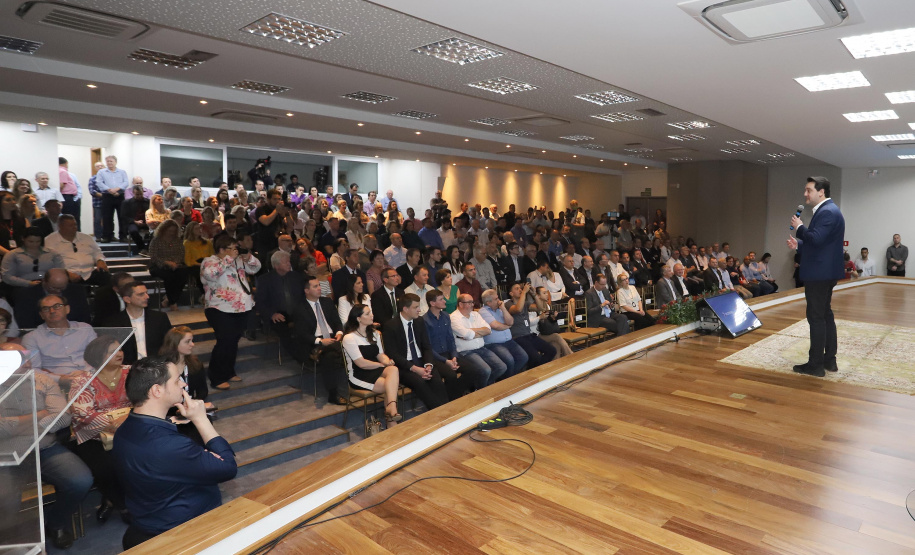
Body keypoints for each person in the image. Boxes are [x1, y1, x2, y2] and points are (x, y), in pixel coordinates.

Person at [114, 357, 237, 549]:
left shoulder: (124, 430)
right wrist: (201, 419)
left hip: (147, 519)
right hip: (186, 530)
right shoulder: (169, 445)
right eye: (177, 380)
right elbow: (228, 467)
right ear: (157, 390)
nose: (184, 383)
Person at [0, 343, 92, 550]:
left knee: (80, 481)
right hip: (6, 455)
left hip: (45, 448)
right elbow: (1, 430)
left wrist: (18, 423)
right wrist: (40, 416)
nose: (28, 362)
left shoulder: (42, 380)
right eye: (18, 358)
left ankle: (56, 523)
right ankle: (11, 542)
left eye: (26, 356)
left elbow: (63, 417)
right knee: (6, 500)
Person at [69, 335, 132, 524]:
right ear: (98, 356)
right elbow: (81, 413)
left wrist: (125, 421)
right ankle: (123, 505)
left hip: (129, 430)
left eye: (119, 349)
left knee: (139, 458)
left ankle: (114, 498)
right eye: (111, 351)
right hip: (93, 436)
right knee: (106, 468)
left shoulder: (132, 372)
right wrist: (115, 422)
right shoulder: (83, 381)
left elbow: (144, 400)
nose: (119, 353)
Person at [788, 176, 845, 377]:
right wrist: (800, 244)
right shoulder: (828, 211)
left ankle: (816, 365)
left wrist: (799, 228)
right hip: (824, 271)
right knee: (825, 315)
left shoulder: (827, 212)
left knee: (816, 318)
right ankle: (829, 361)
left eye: (808, 190)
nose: (805, 194)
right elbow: (821, 244)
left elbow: (817, 239)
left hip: (819, 274)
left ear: (821, 192)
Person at [201, 234, 261, 389]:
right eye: (232, 248)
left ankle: (228, 371)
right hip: (219, 308)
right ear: (222, 249)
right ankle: (216, 377)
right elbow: (210, 275)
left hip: (241, 307)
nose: (236, 250)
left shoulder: (238, 260)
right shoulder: (209, 261)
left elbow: (256, 268)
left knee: (233, 341)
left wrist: (248, 256)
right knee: (224, 341)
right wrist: (227, 260)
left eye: (236, 248)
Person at [381, 294, 451, 409]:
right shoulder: (391, 326)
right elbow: (392, 354)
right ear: (405, 309)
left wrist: (428, 364)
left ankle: (447, 410)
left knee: (437, 381)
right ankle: (440, 412)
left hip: (422, 361)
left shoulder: (419, 321)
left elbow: (427, 346)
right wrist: (414, 368)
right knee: (420, 383)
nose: (419, 310)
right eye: (416, 307)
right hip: (404, 366)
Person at [341, 304, 402, 426]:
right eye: (367, 314)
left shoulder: (374, 333)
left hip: (374, 369)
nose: (372, 315)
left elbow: (380, 354)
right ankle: (391, 420)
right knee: (390, 386)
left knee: (393, 369)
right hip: (359, 374)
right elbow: (361, 363)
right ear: (358, 318)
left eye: (371, 313)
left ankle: (391, 408)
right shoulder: (349, 338)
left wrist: (387, 361)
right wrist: (381, 365)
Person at [293, 274, 348, 405]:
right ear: (306, 291)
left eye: (319, 285)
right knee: (331, 356)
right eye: (315, 286)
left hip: (333, 338)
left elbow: (337, 323)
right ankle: (333, 394)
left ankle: (322, 352)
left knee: (339, 349)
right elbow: (302, 334)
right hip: (314, 342)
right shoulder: (299, 308)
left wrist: (339, 333)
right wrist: (320, 342)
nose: (319, 288)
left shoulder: (327, 302)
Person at [22, 294, 97, 389]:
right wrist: (59, 379)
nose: (52, 311)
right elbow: (33, 370)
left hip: (91, 378)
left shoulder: (85, 329)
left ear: (67, 309)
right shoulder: (31, 338)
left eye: (57, 306)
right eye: (46, 309)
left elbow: (98, 357)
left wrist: (86, 373)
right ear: (41, 315)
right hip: (56, 385)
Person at [103, 281, 172, 364]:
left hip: (156, 366)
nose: (147, 296)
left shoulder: (159, 318)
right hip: (128, 367)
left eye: (146, 293)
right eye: (141, 294)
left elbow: (170, 344)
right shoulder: (114, 322)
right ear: (127, 299)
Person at [255, 250, 305, 355]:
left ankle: (312, 352)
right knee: (285, 331)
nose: (289, 264)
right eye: (285, 262)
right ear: (276, 265)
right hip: (277, 314)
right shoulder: (264, 280)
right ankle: (301, 357)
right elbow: (260, 302)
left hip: (297, 313)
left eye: (289, 261)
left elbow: (303, 297)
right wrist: (272, 314)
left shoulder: (296, 277)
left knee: (307, 324)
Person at [44, 214, 110, 286]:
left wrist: (100, 260)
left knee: (105, 276)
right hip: (66, 274)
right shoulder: (50, 240)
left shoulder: (86, 238)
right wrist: (66, 273)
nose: (74, 227)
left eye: (75, 224)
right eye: (70, 225)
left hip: (89, 273)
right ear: (61, 226)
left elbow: (97, 252)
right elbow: (49, 261)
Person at [505, 282, 558, 366]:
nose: (520, 290)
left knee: (552, 350)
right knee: (535, 357)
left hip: (529, 335)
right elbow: (517, 309)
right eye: (517, 288)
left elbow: (540, 308)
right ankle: (536, 371)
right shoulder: (508, 304)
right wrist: (524, 293)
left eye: (520, 288)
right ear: (511, 293)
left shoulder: (526, 303)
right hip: (518, 337)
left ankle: (538, 370)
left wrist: (534, 295)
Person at [479, 289, 529, 377]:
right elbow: (496, 326)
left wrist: (503, 308)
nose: (499, 301)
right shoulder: (483, 311)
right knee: (509, 360)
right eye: (496, 299)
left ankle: (509, 378)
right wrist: (507, 326)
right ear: (488, 303)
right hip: (494, 344)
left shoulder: (500, 309)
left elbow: (511, 321)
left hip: (508, 341)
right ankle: (507, 381)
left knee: (523, 357)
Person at [148, 219, 188, 310]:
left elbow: (181, 254)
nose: (171, 233)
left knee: (183, 274)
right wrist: (166, 262)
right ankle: (173, 302)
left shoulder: (177, 241)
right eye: (169, 231)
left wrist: (175, 263)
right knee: (169, 276)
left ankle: (168, 299)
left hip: (176, 264)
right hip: (158, 266)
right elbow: (153, 256)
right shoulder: (156, 240)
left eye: (173, 231)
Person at [530, 285, 573, 357]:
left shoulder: (547, 306)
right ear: (538, 296)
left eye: (546, 293)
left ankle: (557, 364)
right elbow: (530, 323)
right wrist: (539, 317)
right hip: (536, 334)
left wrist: (553, 317)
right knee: (556, 336)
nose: (547, 295)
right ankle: (569, 355)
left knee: (556, 345)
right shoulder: (532, 307)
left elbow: (548, 321)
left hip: (546, 332)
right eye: (544, 293)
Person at [95, 155, 128, 243]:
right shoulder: (101, 172)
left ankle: (123, 236)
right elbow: (99, 182)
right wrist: (109, 190)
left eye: (111, 161)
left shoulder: (122, 172)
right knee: (107, 217)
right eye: (108, 161)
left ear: (115, 162)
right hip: (107, 196)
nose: (109, 163)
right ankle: (107, 236)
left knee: (122, 217)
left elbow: (126, 182)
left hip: (119, 195)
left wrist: (117, 189)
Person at [122, 184, 150, 255]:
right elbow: (123, 216)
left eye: (141, 194)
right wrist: (135, 221)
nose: (139, 196)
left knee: (156, 231)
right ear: (133, 193)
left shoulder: (148, 202)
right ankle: (142, 248)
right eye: (137, 194)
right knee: (133, 231)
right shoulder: (127, 203)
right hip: (133, 222)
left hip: (147, 222)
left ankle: (149, 248)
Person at [0, 189, 28, 257]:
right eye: (8, 200)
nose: (13, 202)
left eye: (14, 199)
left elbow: (29, 238)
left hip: (21, 256)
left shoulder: (22, 220)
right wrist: (10, 255)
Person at [57, 157, 83, 227]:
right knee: (70, 217)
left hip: (69, 197)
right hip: (66, 197)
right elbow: (61, 185)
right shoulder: (62, 171)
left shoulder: (60, 171)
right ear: (66, 163)